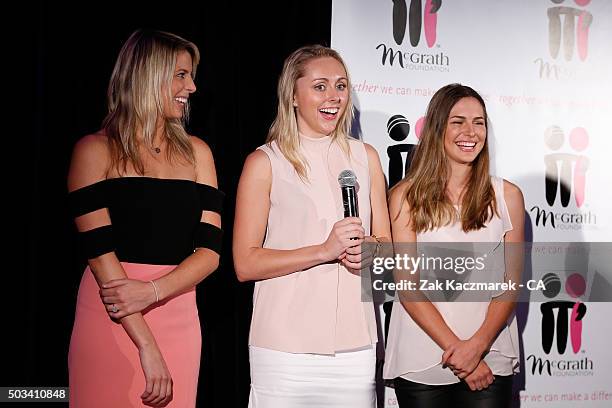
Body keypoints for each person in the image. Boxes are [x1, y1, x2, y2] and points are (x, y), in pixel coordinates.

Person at [67, 29, 223, 407]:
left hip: (179, 312)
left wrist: (154, 291)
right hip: (113, 313)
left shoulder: (198, 153)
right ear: (148, 75)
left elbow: (210, 253)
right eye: (181, 75)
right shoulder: (94, 150)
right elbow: (101, 256)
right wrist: (147, 346)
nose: (193, 87)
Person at [233, 45, 391, 407]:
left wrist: (372, 251)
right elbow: (245, 263)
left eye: (341, 85)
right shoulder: (265, 161)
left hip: (355, 348)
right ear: (292, 95)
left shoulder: (365, 157)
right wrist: (323, 251)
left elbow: (387, 244)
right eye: (320, 86)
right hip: (284, 348)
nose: (333, 97)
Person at [383, 84, 524, 408]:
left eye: (479, 122)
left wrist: (477, 347)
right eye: (458, 121)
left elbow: (510, 285)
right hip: (422, 359)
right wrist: (462, 354)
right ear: (437, 128)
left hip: (490, 354)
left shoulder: (508, 196)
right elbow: (408, 287)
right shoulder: (405, 197)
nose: (470, 132)